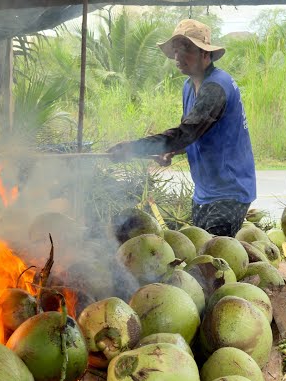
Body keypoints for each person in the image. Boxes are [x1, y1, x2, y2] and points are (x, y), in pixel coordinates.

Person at [107, 19, 256, 237]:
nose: (177, 57)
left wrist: (134, 148)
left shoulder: (216, 87)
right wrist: (173, 150)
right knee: (201, 255)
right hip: (205, 191)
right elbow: (194, 133)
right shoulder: (189, 86)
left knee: (212, 262)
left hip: (228, 193)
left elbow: (186, 133)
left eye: (186, 49)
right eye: (175, 51)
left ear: (206, 54)